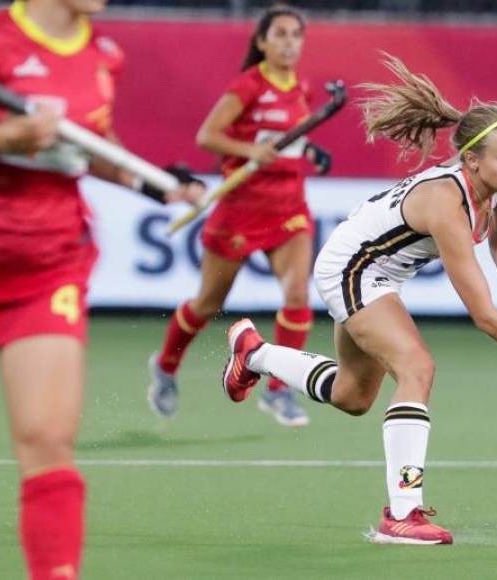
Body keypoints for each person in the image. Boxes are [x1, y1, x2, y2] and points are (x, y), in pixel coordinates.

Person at [0, 1, 201, 578]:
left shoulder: (105, 54)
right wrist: (9, 132)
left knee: (48, 440)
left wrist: (157, 187)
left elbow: (90, 142)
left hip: (52, 264)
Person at [219, 55, 497, 545]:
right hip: (352, 268)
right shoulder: (446, 203)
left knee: (353, 397)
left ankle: (255, 353)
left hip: (377, 272)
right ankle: (403, 513)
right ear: (472, 160)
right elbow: (483, 315)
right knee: (417, 368)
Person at [147, 4, 332, 427]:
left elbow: (288, 138)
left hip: (288, 208)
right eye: (280, 34)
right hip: (240, 210)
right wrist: (252, 152)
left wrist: (309, 150)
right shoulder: (248, 85)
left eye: (295, 35)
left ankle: (280, 390)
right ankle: (165, 367)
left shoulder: (300, 88)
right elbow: (208, 136)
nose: (288, 43)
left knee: (298, 297)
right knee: (206, 304)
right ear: (262, 42)